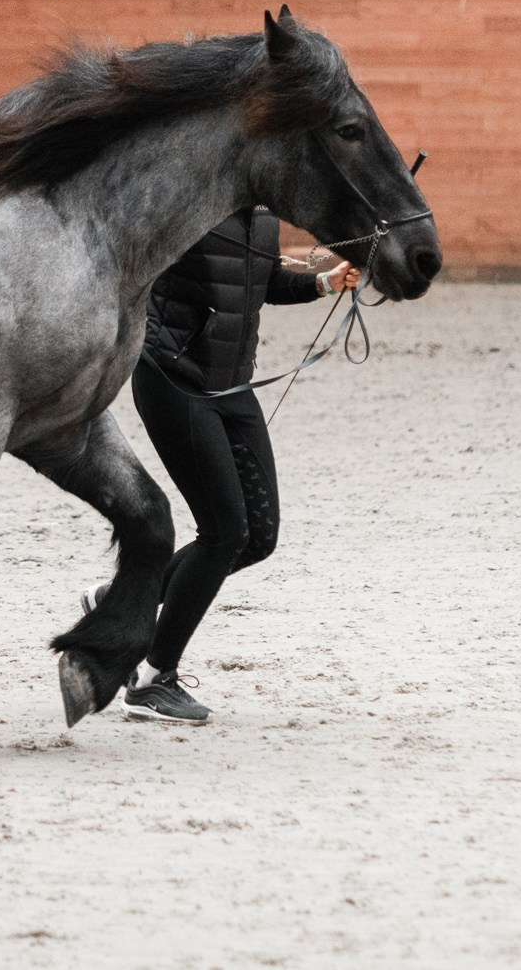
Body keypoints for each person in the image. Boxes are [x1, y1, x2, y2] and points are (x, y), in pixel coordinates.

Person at [99, 209, 360, 725]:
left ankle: (119, 601)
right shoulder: (187, 205)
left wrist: (324, 283)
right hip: (172, 379)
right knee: (223, 533)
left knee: (258, 536)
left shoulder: (260, 219)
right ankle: (151, 681)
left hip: (233, 386)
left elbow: (259, 284)